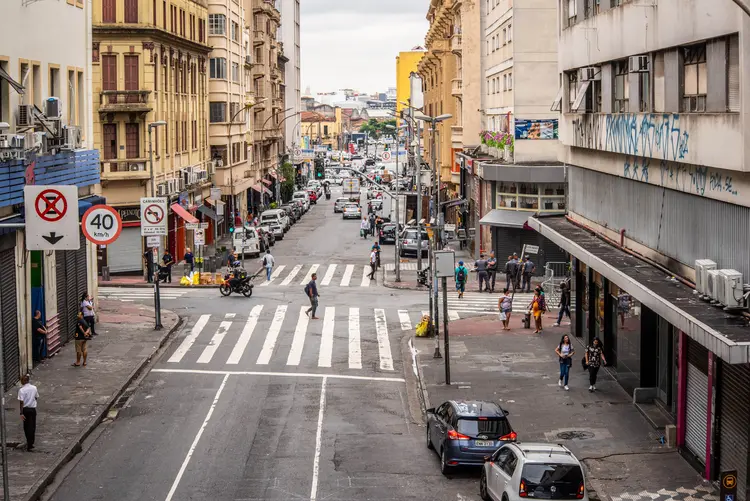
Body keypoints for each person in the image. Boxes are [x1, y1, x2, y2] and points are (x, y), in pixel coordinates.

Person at [18, 374, 39, 452]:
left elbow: (21, 402)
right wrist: (33, 402)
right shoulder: (34, 388)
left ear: (23, 381)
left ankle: (29, 443)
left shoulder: (22, 390)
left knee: (26, 427)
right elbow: (36, 397)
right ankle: (31, 443)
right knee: (33, 426)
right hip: (33, 409)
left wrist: (21, 413)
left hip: (25, 410)